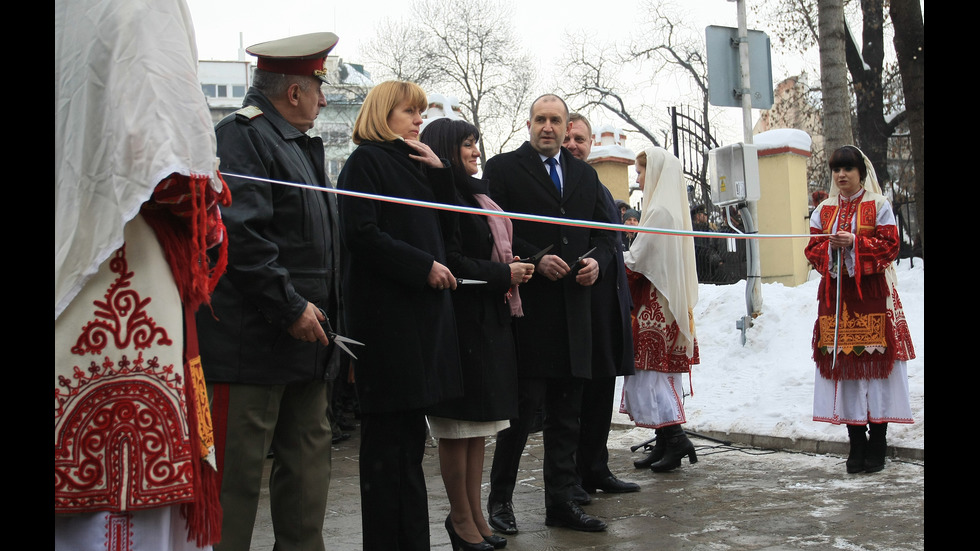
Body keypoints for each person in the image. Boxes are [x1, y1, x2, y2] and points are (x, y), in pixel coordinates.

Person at [55, 0, 228, 548]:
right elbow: (169, 157)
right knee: (122, 500)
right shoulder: (141, 5)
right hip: (117, 252)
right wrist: (212, 214)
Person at [195, 32, 343, 551]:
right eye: (318, 88)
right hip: (249, 349)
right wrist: (290, 306)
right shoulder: (241, 136)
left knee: (307, 484)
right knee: (232, 490)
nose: (325, 100)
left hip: (307, 345)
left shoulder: (299, 146)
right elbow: (240, 235)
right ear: (295, 92)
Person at [336, 81, 464, 551]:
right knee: (388, 458)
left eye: (421, 113)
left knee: (408, 453)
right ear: (382, 113)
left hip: (418, 329)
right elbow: (361, 234)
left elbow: (451, 235)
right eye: (410, 112)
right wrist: (421, 267)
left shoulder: (413, 166)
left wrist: (441, 175)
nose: (418, 121)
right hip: (387, 331)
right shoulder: (366, 162)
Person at [485, 94, 615, 534]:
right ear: (528, 124)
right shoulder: (503, 169)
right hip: (529, 311)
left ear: (565, 127)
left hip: (574, 311)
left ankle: (562, 502)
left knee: (567, 415)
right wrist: (533, 259)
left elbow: (607, 236)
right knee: (520, 415)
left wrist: (597, 261)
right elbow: (495, 229)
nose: (548, 127)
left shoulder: (584, 174)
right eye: (540, 119)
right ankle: (500, 502)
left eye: (555, 120)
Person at [420, 117, 535, 551]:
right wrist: (503, 271)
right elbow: (450, 259)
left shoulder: (478, 192)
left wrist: (510, 266)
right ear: (447, 149)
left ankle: (477, 517)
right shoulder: (442, 196)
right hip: (459, 322)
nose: (475, 152)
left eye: (476, 143)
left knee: (481, 425)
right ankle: (461, 520)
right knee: (457, 427)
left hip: (491, 319)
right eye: (467, 144)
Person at [804, 145, 915, 474]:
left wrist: (855, 243)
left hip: (871, 298)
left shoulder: (879, 205)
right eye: (837, 169)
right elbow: (812, 249)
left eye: (848, 169)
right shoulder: (823, 211)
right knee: (846, 369)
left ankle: (877, 442)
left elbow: (890, 245)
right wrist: (829, 248)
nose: (841, 175)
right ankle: (856, 441)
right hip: (835, 301)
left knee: (876, 370)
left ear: (861, 173)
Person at [562, 113, 639, 502]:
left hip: (607, 301)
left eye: (580, 139)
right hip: (578, 302)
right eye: (568, 138)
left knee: (601, 389)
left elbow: (610, 241)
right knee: (575, 396)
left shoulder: (597, 186)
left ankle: (597, 466)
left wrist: (603, 263)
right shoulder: (558, 188)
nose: (573, 145)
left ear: (591, 144)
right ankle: (571, 474)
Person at [622, 147, 701, 473]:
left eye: (641, 171)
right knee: (656, 375)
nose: (638, 178)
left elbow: (637, 261)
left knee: (654, 376)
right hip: (665, 303)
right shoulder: (668, 209)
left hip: (657, 305)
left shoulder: (659, 213)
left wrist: (612, 257)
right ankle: (666, 441)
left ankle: (676, 438)